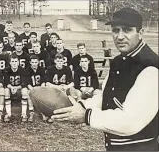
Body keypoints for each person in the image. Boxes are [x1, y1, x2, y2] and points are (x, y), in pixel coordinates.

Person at [51, 8, 158, 151]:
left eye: (127, 30)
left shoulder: (150, 67)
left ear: (140, 33)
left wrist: (86, 116)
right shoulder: (119, 61)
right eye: (115, 30)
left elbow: (131, 121)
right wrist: (76, 107)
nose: (120, 36)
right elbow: (105, 97)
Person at [4, 54, 29, 122]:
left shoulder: (22, 70)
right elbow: (6, 82)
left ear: (18, 62)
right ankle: (8, 114)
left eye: (15, 61)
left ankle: (24, 114)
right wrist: (11, 87)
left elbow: (24, 82)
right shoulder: (7, 70)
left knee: (25, 90)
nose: (14, 63)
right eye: (13, 61)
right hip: (10, 88)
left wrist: (17, 88)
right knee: (6, 91)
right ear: (10, 62)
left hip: (19, 89)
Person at [25, 55, 46, 122]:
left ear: (38, 62)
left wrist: (40, 89)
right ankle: (31, 112)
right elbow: (27, 83)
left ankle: (43, 112)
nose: (34, 64)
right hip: (32, 88)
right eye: (33, 62)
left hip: (40, 88)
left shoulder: (42, 69)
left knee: (43, 93)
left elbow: (43, 82)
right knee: (29, 93)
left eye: (35, 62)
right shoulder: (27, 70)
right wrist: (33, 89)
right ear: (30, 62)